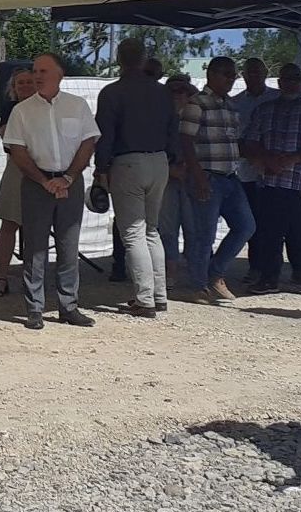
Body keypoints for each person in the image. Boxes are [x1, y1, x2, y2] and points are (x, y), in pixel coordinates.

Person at [3, 53, 99, 330]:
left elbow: (88, 143)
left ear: (60, 74)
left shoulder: (77, 105)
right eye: (35, 70)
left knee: (69, 245)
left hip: (71, 182)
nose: (37, 75)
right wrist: (43, 180)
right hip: (36, 183)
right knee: (34, 247)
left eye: (44, 70)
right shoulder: (21, 111)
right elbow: (17, 151)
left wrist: (68, 177)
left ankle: (68, 306)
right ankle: (34, 308)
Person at [93, 39, 178, 317]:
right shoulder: (164, 93)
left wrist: (100, 168)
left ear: (119, 59)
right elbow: (172, 130)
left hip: (127, 162)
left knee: (133, 232)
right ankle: (160, 294)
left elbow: (105, 135)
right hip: (160, 161)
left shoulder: (111, 93)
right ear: (144, 60)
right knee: (152, 229)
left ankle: (145, 298)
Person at [242, 63, 301, 298]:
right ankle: (268, 278)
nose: (292, 82)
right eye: (287, 78)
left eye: (296, 78)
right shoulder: (264, 110)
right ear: (279, 82)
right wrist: (267, 159)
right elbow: (250, 142)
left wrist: (292, 159)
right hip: (270, 182)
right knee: (269, 233)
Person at [180, 56, 256, 303]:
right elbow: (186, 142)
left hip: (230, 176)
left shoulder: (231, 106)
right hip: (208, 175)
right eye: (226, 74)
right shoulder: (196, 104)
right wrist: (198, 175)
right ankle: (198, 285)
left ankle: (215, 273)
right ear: (212, 74)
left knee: (246, 226)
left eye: (233, 75)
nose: (231, 79)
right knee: (205, 234)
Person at [230, 57, 278, 285]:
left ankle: (285, 268)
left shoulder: (278, 99)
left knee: (278, 223)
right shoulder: (235, 103)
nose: (254, 76)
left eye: (259, 72)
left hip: (276, 172)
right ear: (243, 75)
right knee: (253, 223)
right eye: (250, 72)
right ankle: (256, 267)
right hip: (246, 173)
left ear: (266, 73)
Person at [0, 68, 36, 297]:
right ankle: (1, 277)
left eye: (30, 82)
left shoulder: (44, 108)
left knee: (35, 227)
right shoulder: (10, 110)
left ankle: (32, 277)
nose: (26, 86)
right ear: (14, 88)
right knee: (9, 224)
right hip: (17, 170)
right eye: (21, 83)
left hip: (41, 171)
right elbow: (8, 140)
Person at [158, 75, 199, 287]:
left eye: (183, 90)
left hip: (191, 176)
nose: (178, 94)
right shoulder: (157, 119)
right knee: (167, 227)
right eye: (173, 90)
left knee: (193, 226)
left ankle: (196, 273)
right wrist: (170, 168)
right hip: (166, 176)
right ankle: (170, 271)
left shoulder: (198, 116)